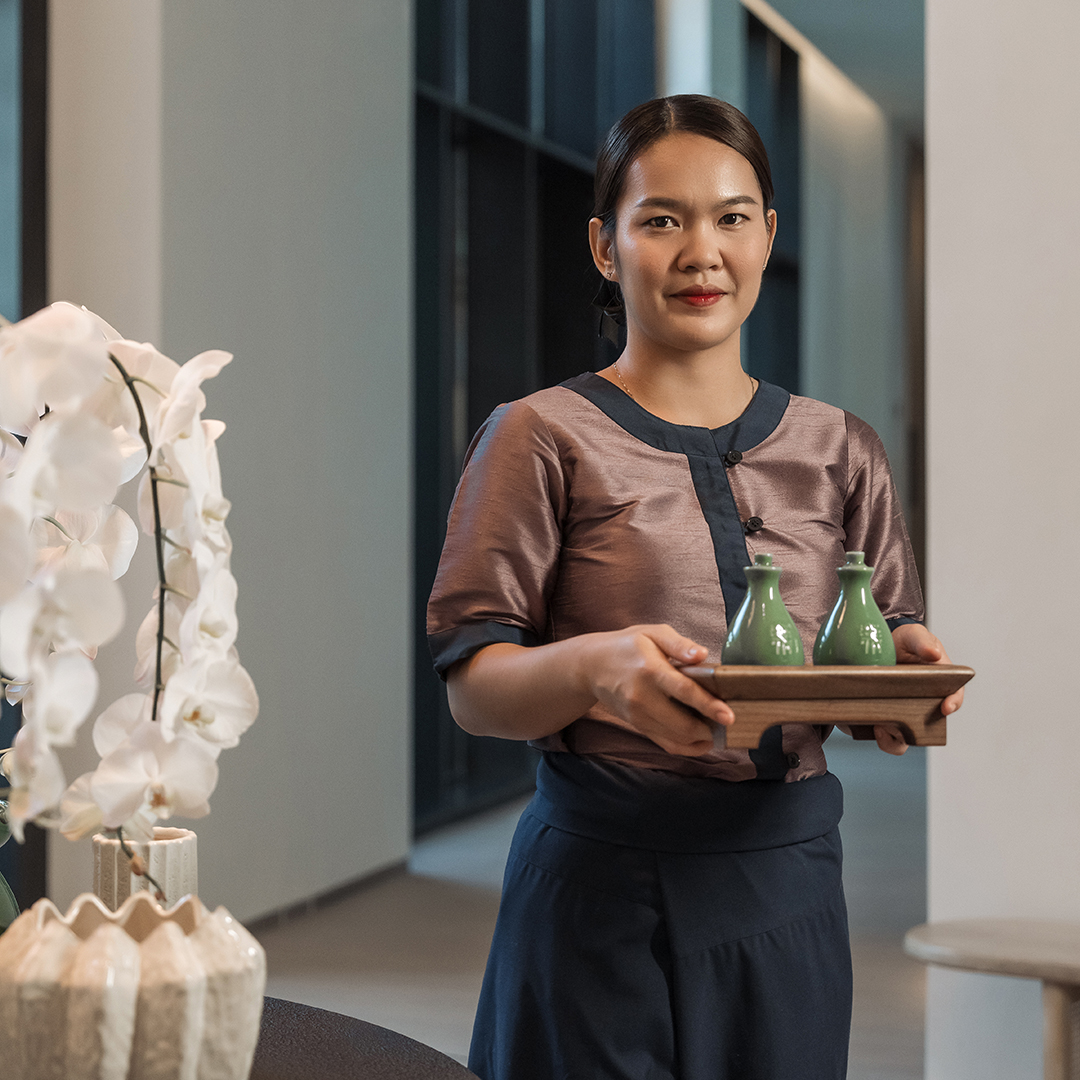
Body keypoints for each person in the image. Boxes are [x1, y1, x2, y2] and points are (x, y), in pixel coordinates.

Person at [427, 95, 962, 1080]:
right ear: (604, 244)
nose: (700, 251)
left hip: (788, 887)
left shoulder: (842, 448)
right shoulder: (538, 435)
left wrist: (902, 688)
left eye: (730, 216)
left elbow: (884, 635)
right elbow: (474, 686)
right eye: (661, 219)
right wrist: (594, 672)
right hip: (598, 883)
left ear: (767, 236)